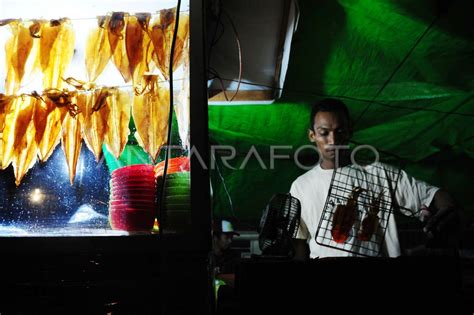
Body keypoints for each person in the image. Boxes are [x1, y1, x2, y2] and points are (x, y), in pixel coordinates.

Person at [290, 98, 461, 260]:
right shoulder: (301, 187)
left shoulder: (381, 174)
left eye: (340, 131)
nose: (333, 140)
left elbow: (434, 195)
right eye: (324, 133)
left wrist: (447, 207)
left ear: (350, 131)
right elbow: (299, 243)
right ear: (312, 136)